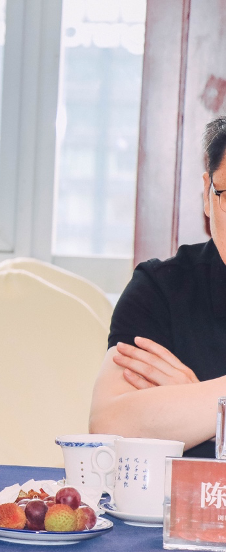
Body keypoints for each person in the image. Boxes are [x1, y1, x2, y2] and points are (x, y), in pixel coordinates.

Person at [90, 115, 226, 457]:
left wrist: (194, 405)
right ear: (207, 193)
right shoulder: (160, 289)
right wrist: (219, 405)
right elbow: (109, 426)